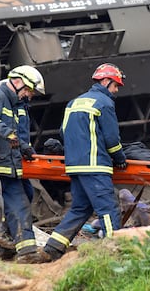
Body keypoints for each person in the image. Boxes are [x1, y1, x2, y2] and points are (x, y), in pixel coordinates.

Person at [43, 63, 128, 261]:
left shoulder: (73, 103)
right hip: (95, 166)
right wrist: (120, 159)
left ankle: (52, 248)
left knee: (80, 209)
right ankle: (113, 253)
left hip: (74, 166)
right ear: (106, 82)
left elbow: (63, 133)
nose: (116, 91)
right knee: (108, 208)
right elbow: (111, 139)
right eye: (116, 86)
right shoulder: (104, 103)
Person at [0, 65, 46, 263]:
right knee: (19, 204)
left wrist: (25, 147)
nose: (29, 95)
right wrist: (8, 134)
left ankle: (5, 246)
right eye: (28, 90)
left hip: (14, 164)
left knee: (25, 195)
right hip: (1, 164)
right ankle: (27, 252)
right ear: (17, 82)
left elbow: (18, 134)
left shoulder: (18, 104)